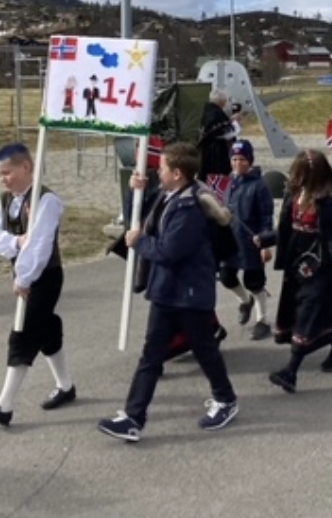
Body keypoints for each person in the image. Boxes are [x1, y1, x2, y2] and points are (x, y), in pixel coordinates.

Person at [97, 142, 238, 442]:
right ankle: (134, 417)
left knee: (204, 350)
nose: (156, 172)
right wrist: (135, 190)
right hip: (167, 291)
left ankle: (226, 399)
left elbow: (170, 250)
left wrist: (138, 243)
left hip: (188, 293)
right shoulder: (167, 195)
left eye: (161, 168)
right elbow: (141, 216)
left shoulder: (189, 208)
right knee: (151, 355)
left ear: (177, 173)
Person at [0, 143, 77, 427]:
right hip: (23, 273)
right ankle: (66, 387)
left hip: (44, 276)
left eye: (6, 173)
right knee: (47, 329)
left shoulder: (47, 200)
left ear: (26, 167)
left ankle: (4, 406)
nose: (3, 179)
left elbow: (41, 245)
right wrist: (15, 242)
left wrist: (24, 278)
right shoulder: (5, 201)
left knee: (22, 334)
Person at [261, 150, 332, 394]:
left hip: (322, 267)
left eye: (300, 174)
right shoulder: (294, 195)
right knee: (322, 310)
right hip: (297, 263)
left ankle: (291, 371)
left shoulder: (329, 202)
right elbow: (286, 229)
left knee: (308, 312)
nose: (295, 178)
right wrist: (264, 240)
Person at [223, 139, 275, 340]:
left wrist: (265, 242)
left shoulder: (259, 185)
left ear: (250, 160)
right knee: (227, 276)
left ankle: (263, 320)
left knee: (254, 282)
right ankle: (245, 301)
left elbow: (266, 217)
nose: (237, 163)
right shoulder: (231, 181)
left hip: (252, 242)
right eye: (234, 159)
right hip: (230, 240)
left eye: (242, 159)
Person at [197, 88, 234, 181]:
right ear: (220, 100)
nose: (225, 102)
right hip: (216, 152)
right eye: (225, 100)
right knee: (216, 175)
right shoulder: (216, 113)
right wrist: (234, 122)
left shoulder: (208, 111)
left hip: (208, 149)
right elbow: (225, 130)